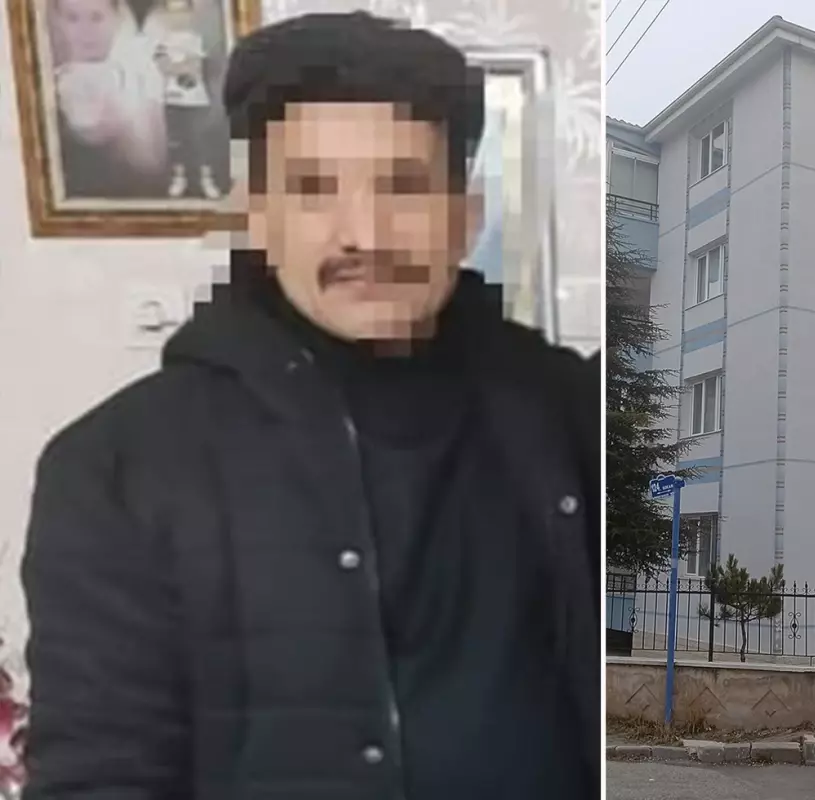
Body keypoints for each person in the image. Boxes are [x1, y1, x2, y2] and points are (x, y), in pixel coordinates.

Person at [21, 12, 599, 800]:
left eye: (403, 187)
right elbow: (101, 778)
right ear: (258, 218)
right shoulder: (116, 466)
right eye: (315, 189)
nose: (364, 233)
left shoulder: (563, 413)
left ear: (464, 218)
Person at [50, 0, 168, 197]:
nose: (85, 30)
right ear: (60, 23)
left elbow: (154, 159)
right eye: (72, 19)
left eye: (96, 18)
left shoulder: (140, 77)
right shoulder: (55, 85)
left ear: (116, 19)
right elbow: (92, 133)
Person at [152, 0, 222, 199]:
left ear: (190, 14)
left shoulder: (196, 39)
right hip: (172, 100)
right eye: (173, 13)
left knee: (200, 142)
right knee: (177, 142)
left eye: (182, 12)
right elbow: (164, 67)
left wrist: (179, 65)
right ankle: (179, 178)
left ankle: (206, 180)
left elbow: (196, 68)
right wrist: (182, 64)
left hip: (196, 100)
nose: (178, 18)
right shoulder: (162, 41)